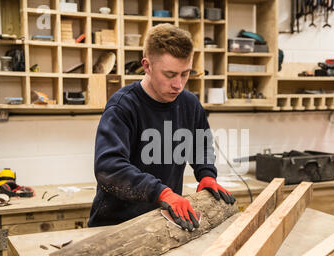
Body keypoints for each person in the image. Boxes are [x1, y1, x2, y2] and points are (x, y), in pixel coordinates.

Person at [89, 24, 235, 231]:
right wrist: (162, 193)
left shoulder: (189, 104)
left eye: (185, 74)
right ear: (147, 66)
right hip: (116, 225)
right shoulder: (123, 106)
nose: (178, 84)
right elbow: (108, 167)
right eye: (170, 74)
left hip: (163, 223)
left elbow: (201, 144)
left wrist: (207, 175)